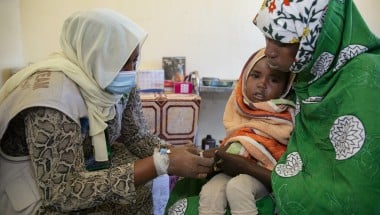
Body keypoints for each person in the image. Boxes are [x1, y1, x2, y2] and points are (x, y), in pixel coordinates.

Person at [0, 9, 214, 214]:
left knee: (140, 186)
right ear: (95, 55)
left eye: (134, 61)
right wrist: (163, 163)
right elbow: (62, 192)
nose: (131, 72)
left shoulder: (114, 80)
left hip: (85, 162)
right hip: (36, 189)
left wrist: (177, 154)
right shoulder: (51, 99)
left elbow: (137, 136)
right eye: (123, 63)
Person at [215, 0, 380, 214]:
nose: (269, 51)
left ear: (319, 34)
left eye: (283, 42)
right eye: (267, 36)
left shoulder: (365, 77)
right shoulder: (309, 74)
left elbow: (355, 197)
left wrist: (247, 168)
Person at [198, 48, 295, 215]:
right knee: (210, 191)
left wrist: (244, 162)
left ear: (285, 87)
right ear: (244, 77)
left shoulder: (284, 114)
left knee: (238, 187)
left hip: (265, 171)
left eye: (274, 80)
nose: (262, 84)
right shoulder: (238, 107)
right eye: (255, 75)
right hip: (235, 167)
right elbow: (239, 143)